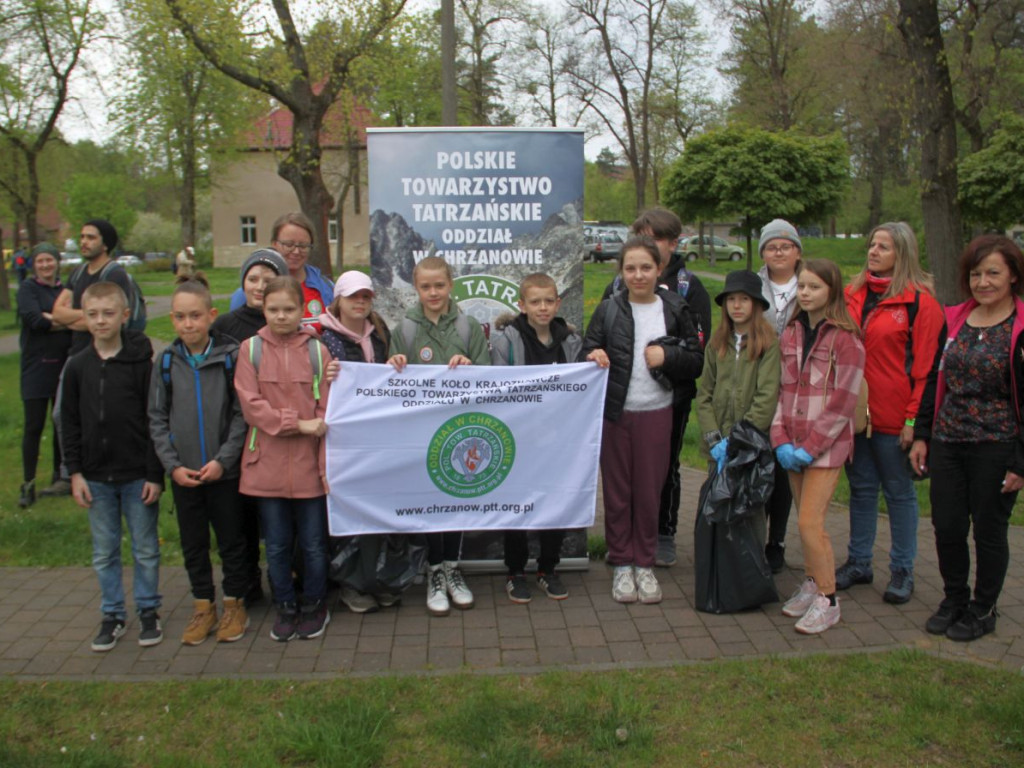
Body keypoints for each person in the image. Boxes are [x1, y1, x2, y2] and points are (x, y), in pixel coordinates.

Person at [581, 237, 704, 605]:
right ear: (621, 271)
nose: (638, 275)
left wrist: (666, 355)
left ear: (658, 270)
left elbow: (695, 359)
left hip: (657, 412)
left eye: (645, 267)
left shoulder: (674, 307)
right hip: (615, 413)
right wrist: (593, 354)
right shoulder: (608, 310)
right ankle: (621, 563)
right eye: (630, 268)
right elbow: (585, 350)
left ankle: (645, 563)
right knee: (618, 492)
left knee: (650, 491)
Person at [914, 235, 1024, 642]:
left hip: (997, 445)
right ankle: (954, 599)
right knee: (947, 525)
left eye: (993, 273)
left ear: (1013, 275)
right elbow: (933, 377)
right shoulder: (956, 318)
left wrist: (1021, 462)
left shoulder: (1021, 327)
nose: (983, 282)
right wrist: (923, 433)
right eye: (976, 274)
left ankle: (984, 607)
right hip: (948, 440)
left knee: (989, 531)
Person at [839, 222, 946, 603]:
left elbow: (927, 371)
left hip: (895, 418)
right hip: (855, 415)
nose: (873, 251)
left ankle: (902, 569)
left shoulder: (920, 303)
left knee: (899, 494)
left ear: (902, 253)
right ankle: (859, 561)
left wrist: (914, 424)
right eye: (872, 244)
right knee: (862, 489)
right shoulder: (852, 294)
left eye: (883, 247)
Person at [602, 209, 711, 568]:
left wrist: (668, 356)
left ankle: (662, 533)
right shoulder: (616, 289)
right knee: (622, 477)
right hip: (623, 402)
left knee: (665, 469)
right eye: (641, 236)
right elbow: (598, 336)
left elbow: (697, 348)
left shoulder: (687, 289)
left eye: (655, 239)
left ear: (671, 244)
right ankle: (623, 545)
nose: (647, 246)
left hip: (671, 397)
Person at [61, 281, 164, 651]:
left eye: (108, 314)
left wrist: (155, 473)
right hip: (95, 477)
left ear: (124, 316)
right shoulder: (76, 368)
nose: (100, 321)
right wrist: (74, 473)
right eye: (92, 314)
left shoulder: (141, 365)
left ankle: (149, 610)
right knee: (105, 551)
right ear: (83, 318)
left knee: (145, 548)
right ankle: (113, 614)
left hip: (137, 475)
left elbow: (155, 420)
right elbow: (68, 422)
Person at [149, 274, 251, 645]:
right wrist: (172, 465)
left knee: (232, 542)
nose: (188, 324)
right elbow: (156, 418)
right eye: (180, 317)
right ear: (172, 320)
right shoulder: (165, 363)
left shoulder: (231, 357)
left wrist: (224, 460)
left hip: (223, 473)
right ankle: (203, 606)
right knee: (193, 544)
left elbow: (242, 414)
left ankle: (234, 604)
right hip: (185, 474)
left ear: (211, 315)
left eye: (195, 316)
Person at [388, 256, 489, 616]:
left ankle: (452, 568)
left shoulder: (468, 327)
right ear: (416, 288)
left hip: (461, 430)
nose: (433, 292)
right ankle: (433, 571)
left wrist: (471, 368)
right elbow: (389, 386)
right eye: (426, 286)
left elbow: (488, 379)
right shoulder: (405, 330)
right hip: (422, 434)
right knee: (431, 500)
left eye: (439, 285)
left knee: (458, 497)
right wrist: (393, 367)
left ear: (451, 286)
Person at [235, 276, 333, 641]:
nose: (281, 316)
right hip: (267, 465)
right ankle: (285, 605)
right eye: (273, 309)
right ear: (263, 308)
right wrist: (298, 424)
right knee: (275, 544)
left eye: (288, 309)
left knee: (312, 543)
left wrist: (314, 424)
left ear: (302, 309)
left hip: (309, 465)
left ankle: (315, 603)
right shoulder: (250, 350)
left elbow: (326, 403)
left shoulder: (317, 351)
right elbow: (251, 405)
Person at [772, 259, 865, 635]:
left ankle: (828, 598)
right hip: (791, 444)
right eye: (803, 287)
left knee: (812, 522)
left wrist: (811, 447)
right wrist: (779, 438)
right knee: (802, 519)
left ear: (832, 291)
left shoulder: (847, 339)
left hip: (825, 447)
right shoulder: (791, 333)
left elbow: (844, 401)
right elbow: (781, 389)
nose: (807, 294)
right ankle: (812, 582)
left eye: (815, 287)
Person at [490, 272, 583, 604]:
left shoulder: (572, 342)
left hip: (558, 440)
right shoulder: (505, 341)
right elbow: (498, 391)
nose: (543, 308)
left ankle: (548, 568)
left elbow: (581, 389)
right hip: (519, 438)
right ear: (522, 305)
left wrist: (597, 362)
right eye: (535, 301)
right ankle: (516, 572)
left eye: (548, 301)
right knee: (516, 505)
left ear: (558, 303)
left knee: (554, 504)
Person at [318, 270, 402, 613]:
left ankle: (378, 580)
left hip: (378, 439)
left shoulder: (380, 335)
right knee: (348, 514)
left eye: (366, 296)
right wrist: (324, 376)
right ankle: (352, 585)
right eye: (354, 296)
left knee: (377, 513)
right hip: (341, 443)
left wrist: (396, 364)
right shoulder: (320, 339)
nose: (360, 302)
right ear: (339, 299)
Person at [210, 247, 289, 605]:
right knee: (239, 519)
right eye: (253, 279)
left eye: (268, 280)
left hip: (280, 435)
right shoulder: (225, 326)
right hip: (236, 433)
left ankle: (285, 579)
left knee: (276, 520)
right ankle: (245, 584)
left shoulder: (289, 323)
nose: (259, 286)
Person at [696, 269, 780, 474]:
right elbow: (704, 394)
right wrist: (713, 437)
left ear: (756, 303)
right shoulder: (716, 344)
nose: (736, 305)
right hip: (718, 444)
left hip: (751, 445)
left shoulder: (768, 344)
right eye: (731, 299)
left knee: (748, 504)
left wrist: (737, 439)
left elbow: (766, 397)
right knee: (715, 501)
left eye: (744, 299)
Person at [756, 219, 803, 573]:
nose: (779, 252)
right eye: (772, 247)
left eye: (785, 246)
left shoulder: (810, 285)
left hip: (799, 388)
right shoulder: (754, 286)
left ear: (797, 252)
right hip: (760, 382)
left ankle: (778, 540)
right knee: (761, 465)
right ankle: (755, 536)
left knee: (785, 470)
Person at [16, 243, 72, 507]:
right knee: (34, 425)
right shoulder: (28, 288)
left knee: (60, 421)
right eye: (40, 261)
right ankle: (28, 484)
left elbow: (50, 320)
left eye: (50, 260)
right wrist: (66, 320)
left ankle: (60, 478)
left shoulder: (65, 290)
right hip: (36, 366)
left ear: (57, 262)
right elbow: (34, 320)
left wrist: (53, 319)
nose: (46, 265)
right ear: (34, 265)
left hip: (63, 364)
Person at [228, 212, 333, 328]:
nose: (296, 251)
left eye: (303, 246)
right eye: (288, 244)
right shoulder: (249, 292)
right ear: (274, 244)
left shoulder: (326, 288)